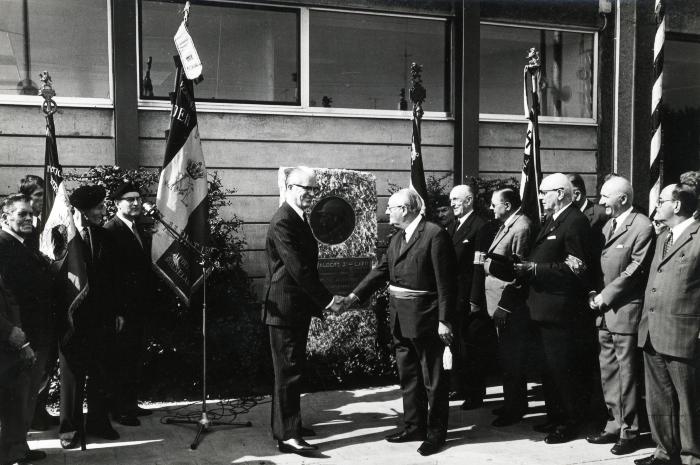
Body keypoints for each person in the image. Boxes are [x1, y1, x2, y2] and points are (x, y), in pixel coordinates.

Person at [345, 188, 457, 457]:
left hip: (426, 318)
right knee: (409, 377)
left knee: (433, 379)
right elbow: (381, 271)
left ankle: (435, 433)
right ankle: (414, 426)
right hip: (400, 318)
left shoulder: (434, 235)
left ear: (405, 209)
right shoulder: (397, 237)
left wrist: (445, 320)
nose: (386, 212)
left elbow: (447, 283)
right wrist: (353, 296)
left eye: (391, 208)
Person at [263, 167, 342, 456]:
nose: (310, 194)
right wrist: (328, 301)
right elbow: (298, 268)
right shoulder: (283, 220)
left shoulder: (298, 218)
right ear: (288, 186)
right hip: (284, 309)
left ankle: (290, 426)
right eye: (305, 189)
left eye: (313, 190)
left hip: (294, 308)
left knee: (292, 370)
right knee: (287, 372)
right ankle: (287, 437)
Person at [513, 173, 595, 444]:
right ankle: (555, 416)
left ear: (560, 193)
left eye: (544, 192)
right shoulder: (553, 220)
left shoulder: (575, 222)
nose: (539, 197)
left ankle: (570, 422)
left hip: (562, 311)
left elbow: (577, 266)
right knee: (548, 369)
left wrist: (535, 268)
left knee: (563, 369)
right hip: (543, 308)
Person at [586, 175, 654, 456]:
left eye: (605, 197)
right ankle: (614, 424)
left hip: (624, 311)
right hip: (604, 312)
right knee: (609, 372)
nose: (601, 203)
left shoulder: (641, 226)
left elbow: (635, 269)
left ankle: (630, 430)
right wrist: (593, 292)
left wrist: (606, 295)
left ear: (623, 199)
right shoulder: (607, 225)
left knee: (627, 376)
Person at [635, 184, 700, 465]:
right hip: (652, 329)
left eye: (661, 200)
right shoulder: (663, 237)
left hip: (683, 332)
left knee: (688, 402)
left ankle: (691, 456)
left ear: (676, 205)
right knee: (659, 399)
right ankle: (665, 452)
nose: (656, 205)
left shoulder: (698, 237)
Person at [58, 185, 121, 449]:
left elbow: (114, 279)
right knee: (72, 376)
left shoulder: (105, 236)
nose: (103, 211)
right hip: (71, 319)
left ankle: (97, 421)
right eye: (98, 207)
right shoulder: (62, 236)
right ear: (82, 211)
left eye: (103, 206)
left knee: (100, 371)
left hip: (101, 318)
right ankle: (69, 429)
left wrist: (118, 311)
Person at [472, 188, 533, 427]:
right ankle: (511, 403)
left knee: (512, 358)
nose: (491, 208)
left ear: (507, 205)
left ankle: (516, 407)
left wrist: (506, 307)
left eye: (494, 204)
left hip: (509, 305)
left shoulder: (521, 227)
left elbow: (520, 272)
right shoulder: (509, 223)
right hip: (496, 301)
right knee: (506, 357)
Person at [0, 194, 52, 463]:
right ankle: (11, 451)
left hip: (35, 333)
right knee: (16, 399)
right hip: (17, 336)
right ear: (5, 217)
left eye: (31, 214)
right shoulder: (3, 245)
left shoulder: (25, 244)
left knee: (25, 397)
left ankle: (17, 448)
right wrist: (15, 335)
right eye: (21, 214)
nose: (28, 219)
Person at [104, 182, 153, 426]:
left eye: (137, 198)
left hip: (138, 306)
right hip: (122, 309)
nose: (135, 203)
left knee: (133, 356)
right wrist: (117, 311)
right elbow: (109, 277)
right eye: (129, 199)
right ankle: (119, 409)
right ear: (116, 204)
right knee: (120, 359)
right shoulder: (110, 230)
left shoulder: (138, 229)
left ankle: (130, 403)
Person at [446, 184, 491, 410]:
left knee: (473, 346)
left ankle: (475, 393)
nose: (452, 203)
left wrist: (474, 298)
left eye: (456, 199)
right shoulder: (453, 224)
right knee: (458, 345)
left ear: (469, 200)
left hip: (470, 296)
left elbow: (478, 267)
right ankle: (461, 386)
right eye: (451, 199)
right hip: (454, 297)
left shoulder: (480, 226)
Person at [18, 175, 57, 430]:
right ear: (27, 199)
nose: (42, 201)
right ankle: (28, 416)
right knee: (33, 368)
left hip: (49, 307)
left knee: (47, 363)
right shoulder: (25, 230)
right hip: (29, 312)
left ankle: (39, 409)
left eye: (44, 195)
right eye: (38, 196)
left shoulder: (48, 223)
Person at [0, 275, 39, 465]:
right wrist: (10, 332)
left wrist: (18, 337)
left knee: (13, 406)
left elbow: (9, 302)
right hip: (4, 344)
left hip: (8, 349)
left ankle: (14, 453)